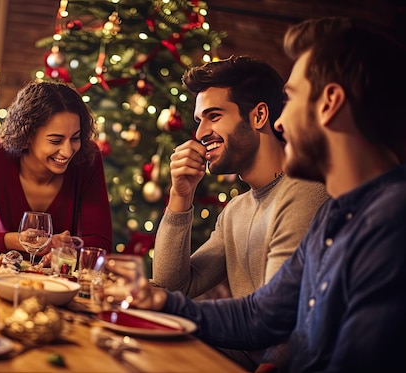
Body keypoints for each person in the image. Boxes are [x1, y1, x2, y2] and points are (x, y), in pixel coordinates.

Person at [130, 17, 406, 372]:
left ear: (330, 103)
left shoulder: (391, 220)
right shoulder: (336, 215)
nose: (280, 121)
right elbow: (261, 314)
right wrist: (159, 302)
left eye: (290, 100)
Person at [152, 55, 328, 370]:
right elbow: (171, 286)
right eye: (199, 121)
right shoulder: (236, 210)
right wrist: (180, 194)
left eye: (214, 116)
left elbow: (284, 326)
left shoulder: (304, 193)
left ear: (259, 115)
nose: (201, 133)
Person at [0, 80, 112, 259]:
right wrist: (18, 240)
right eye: (55, 140)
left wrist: (66, 249)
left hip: (61, 283)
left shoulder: (88, 157)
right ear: (26, 135)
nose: (68, 152)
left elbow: (103, 244)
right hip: (2, 277)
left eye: (75, 138)